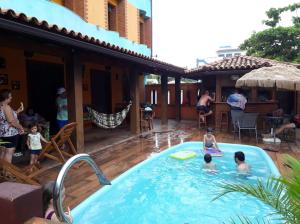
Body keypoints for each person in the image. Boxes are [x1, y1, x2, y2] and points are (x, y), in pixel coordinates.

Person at [0, 89, 24, 163]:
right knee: (9, 153)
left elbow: (5, 117)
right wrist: (21, 127)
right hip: (10, 134)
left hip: (1, 133)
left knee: (2, 152)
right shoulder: (6, 107)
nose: (11, 97)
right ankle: (7, 173)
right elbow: (11, 121)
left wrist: (17, 111)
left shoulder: (1, 106)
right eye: (10, 96)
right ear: (6, 97)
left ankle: (2, 171)